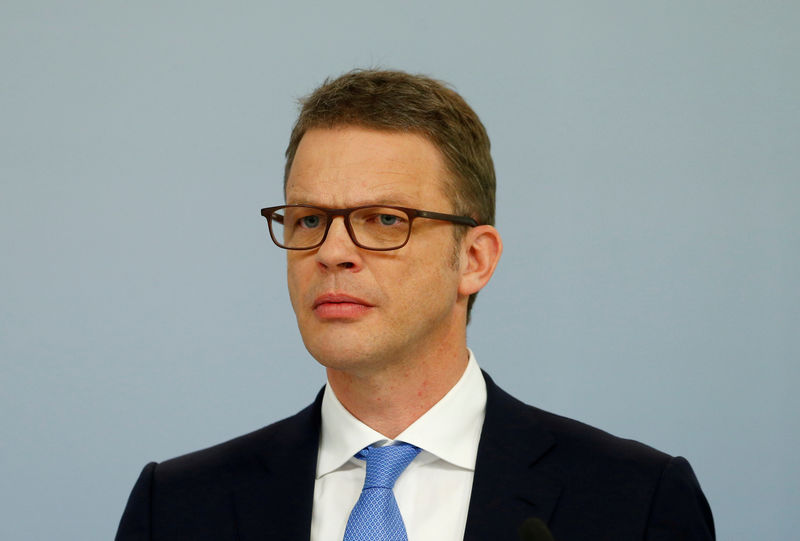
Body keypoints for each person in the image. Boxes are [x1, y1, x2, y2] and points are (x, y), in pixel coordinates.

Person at [115, 69, 715, 541]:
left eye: (383, 220)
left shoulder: (635, 501)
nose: (333, 252)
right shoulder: (178, 506)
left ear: (474, 260)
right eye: (310, 220)